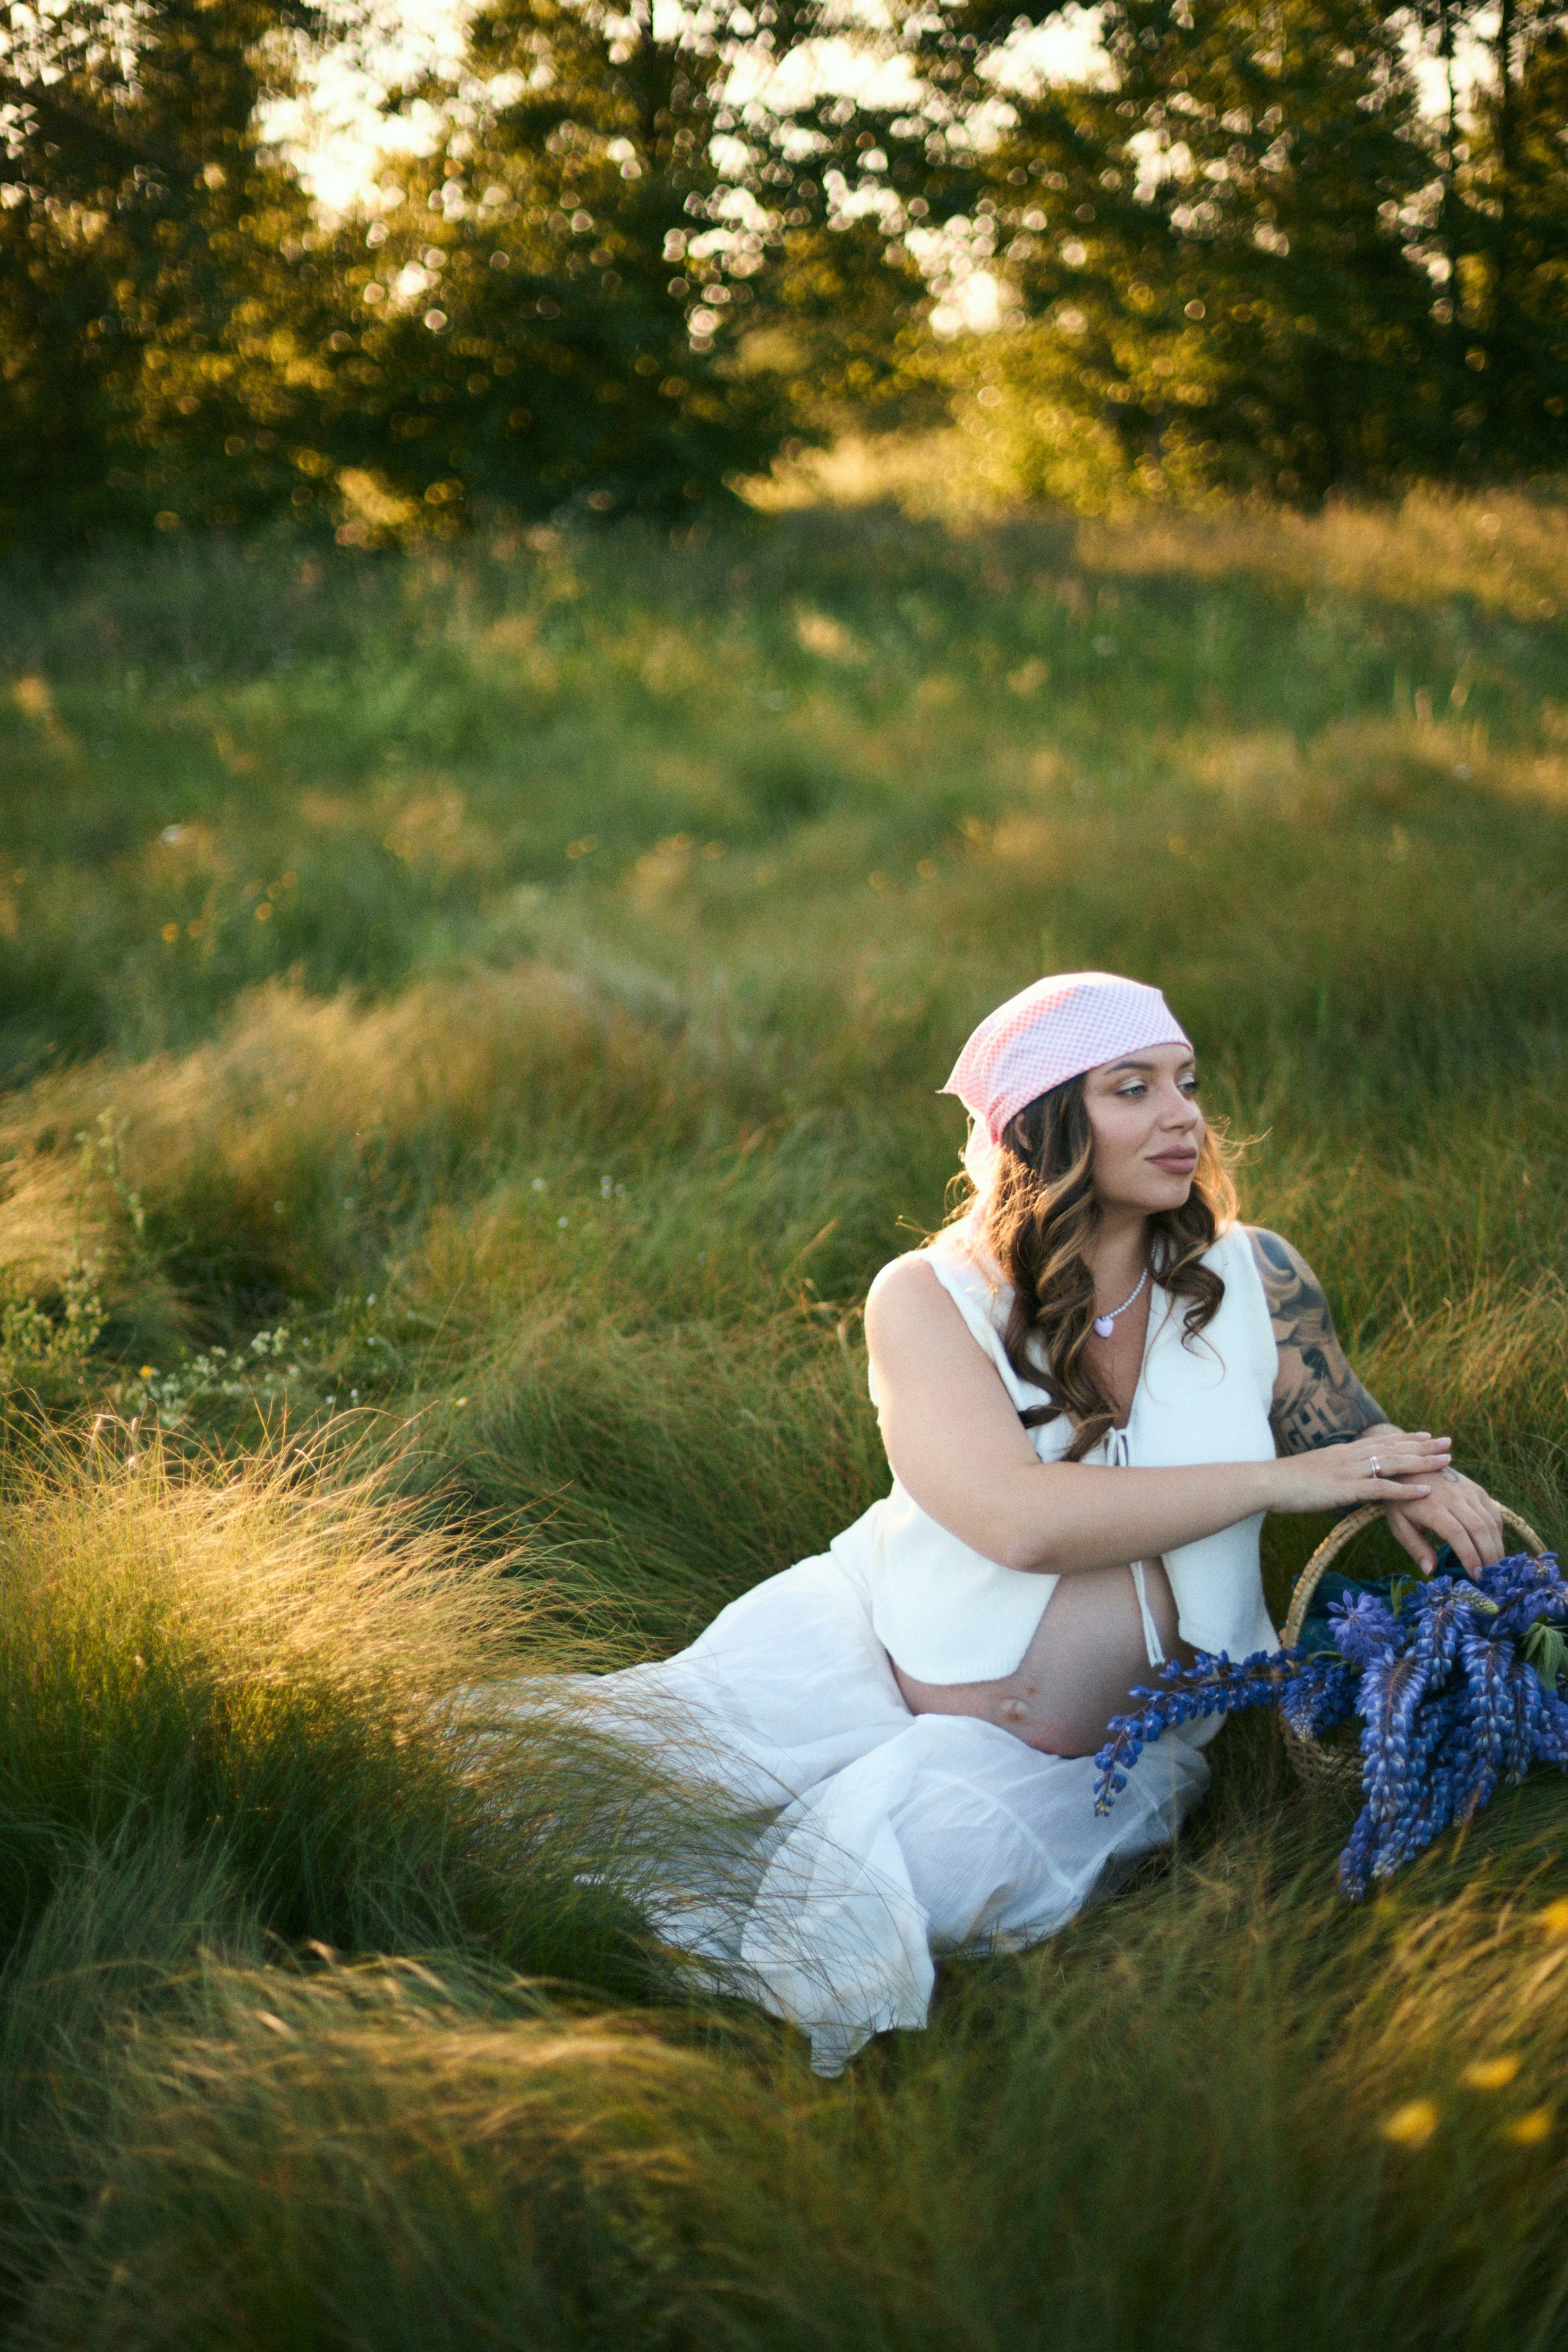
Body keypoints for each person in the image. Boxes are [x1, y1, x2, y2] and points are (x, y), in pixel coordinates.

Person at [582, 971, 1506, 2074]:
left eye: (1188, 1082)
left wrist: (1417, 1478)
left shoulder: (1255, 1273)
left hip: (1095, 1756)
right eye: (1133, 1089)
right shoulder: (926, 1297)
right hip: (864, 1644)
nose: (1183, 1116)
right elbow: (1017, 1524)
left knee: (855, 1900)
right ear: (1047, 1127)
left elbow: (1339, 1424)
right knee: (590, 1796)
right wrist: (1271, 1484)